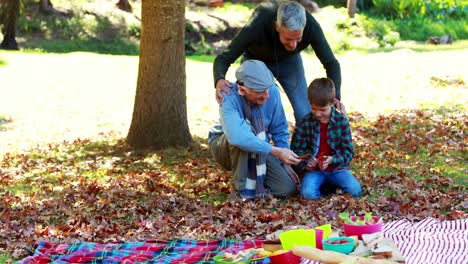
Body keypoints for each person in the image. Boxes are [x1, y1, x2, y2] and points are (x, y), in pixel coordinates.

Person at [213, 1, 343, 124]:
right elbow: (225, 57)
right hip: (257, 62)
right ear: (277, 27)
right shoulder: (259, 22)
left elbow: (331, 63)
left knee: (304, 113)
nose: (293, 45)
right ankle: (257, 143)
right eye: (288, 39)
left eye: (298, 39)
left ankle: (306, 146)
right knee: (262, 112)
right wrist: (219, 79)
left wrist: (335, 95)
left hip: (289, 62)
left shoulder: (311, 26)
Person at [208, 59, 301, 199]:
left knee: (286, 189)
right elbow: (237, 137)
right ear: (242, 89)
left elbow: (280, 129)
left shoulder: (272, 93)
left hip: (258, 145)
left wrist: (284, 161)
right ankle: (241, 191)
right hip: (225, 147)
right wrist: (276, 151)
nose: (267, 95)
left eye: (267, 89)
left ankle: (256, 191)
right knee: (245, 133)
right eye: (260, 92)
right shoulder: (228, 96)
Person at [290, 77, 361, 199]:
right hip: (314, 171)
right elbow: (296, 151)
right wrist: (307, 163)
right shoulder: (305, 122)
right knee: (307, 193)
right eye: (313, 109)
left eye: (322, 110)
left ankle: (329, 187)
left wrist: (332, 159)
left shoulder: (341, 121)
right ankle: (325, 190)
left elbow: (348, 152)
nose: (317, 114)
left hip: (337, 169)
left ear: (333, 103)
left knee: (355, 190)